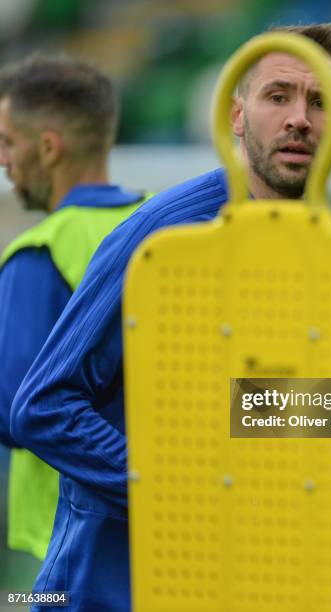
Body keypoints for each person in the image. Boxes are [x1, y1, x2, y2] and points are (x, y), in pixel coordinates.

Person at [10, 24, 331, 611]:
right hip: (106, 591)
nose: (300, 118)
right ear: (237, 114)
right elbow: (41, 405)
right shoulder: (163, 238)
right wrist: (179, 493)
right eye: (278, 96)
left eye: (320, 101)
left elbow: (292, 412)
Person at [0, 55, 150, 562]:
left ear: (47, 148)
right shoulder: (165, 230)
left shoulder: (38, 254)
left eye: (7, 143)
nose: (3, 161)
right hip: (160, 533)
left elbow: (15, 410)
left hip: (69, 541)